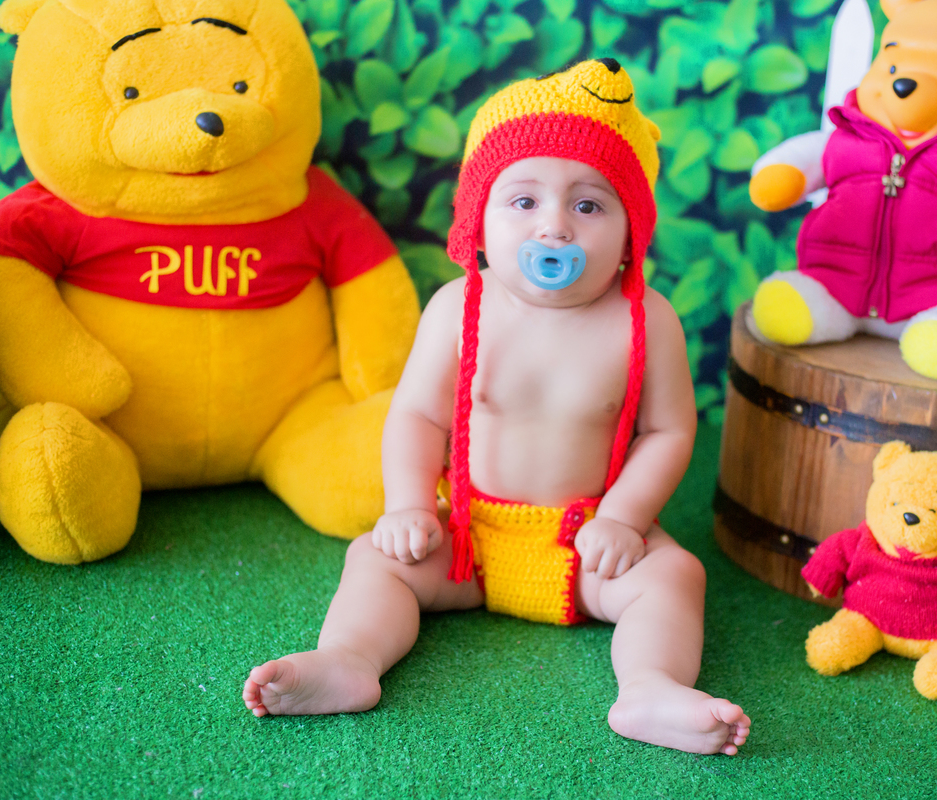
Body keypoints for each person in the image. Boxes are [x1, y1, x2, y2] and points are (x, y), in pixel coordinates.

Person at [243, 59, 751, 756]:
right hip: (467, 537)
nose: (555, 230)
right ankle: (350, 660)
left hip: (586, 540)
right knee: (375, 559)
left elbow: (667, 431)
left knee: (673, 577)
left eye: (589, 205)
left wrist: (625, 518)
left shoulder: (644, 320)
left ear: (631, 231)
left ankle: (650, 688)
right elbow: (417, 416)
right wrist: (409, 505)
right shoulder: (459, 308)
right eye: (523, 202)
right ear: (478, 219)